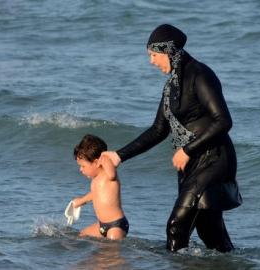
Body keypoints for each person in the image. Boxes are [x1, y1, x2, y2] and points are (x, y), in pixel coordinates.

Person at [102, 24, 242, 252]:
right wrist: (119, 155)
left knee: (176, 227)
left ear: (169, 51)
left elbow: (223, 121)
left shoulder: (200, 75)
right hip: (191, 164)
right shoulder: (171, 86)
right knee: (210, 232)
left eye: (154, 55)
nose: (152, 62)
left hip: (214, 160)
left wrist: (187, 150)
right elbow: (158, 130)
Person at [72, 134, 129, 240]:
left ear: (97, 162)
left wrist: (106, 159)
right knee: (81, 235)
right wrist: (80, 201)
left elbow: (112, 174)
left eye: (83, 166)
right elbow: (95, 194)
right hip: (102, 225)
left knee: (111, 252)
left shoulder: (108, 174)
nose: (80, 170)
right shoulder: (96, 180)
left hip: (116, 226)